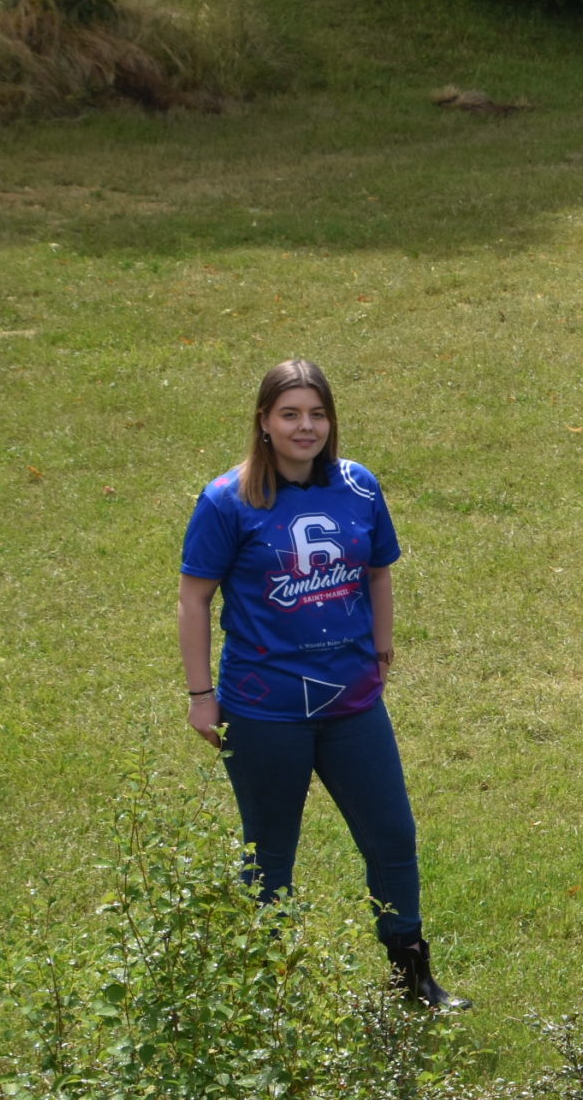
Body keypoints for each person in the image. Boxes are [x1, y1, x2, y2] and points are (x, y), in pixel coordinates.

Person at [178, 359, 467, 1010]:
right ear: (264, 421)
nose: (304, 426)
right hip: (264, 709)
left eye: (317, 413)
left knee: (392, 836)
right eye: (290, 414)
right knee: (270, 853)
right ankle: (265, 993)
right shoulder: (226, 499)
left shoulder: (358, 486)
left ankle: (411, 974)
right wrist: (200, 696)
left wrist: (382, 649)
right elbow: (194, 598)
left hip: (351, 703)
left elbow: (378, 571)